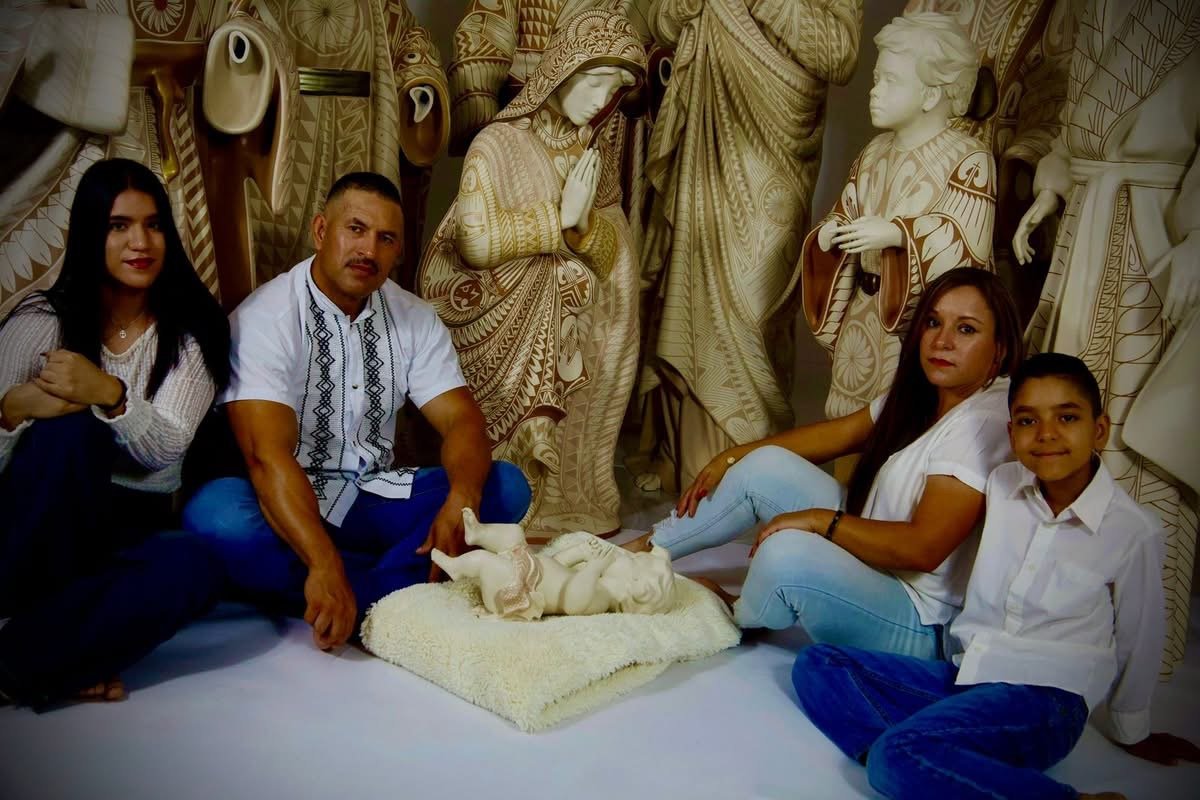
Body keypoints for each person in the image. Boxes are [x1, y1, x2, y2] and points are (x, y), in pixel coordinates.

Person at [793, 353, 1200, 800]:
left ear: (1099, 429)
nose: (1046, 434)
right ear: (1011, 433)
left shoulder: (1133, 530)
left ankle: (930, 765)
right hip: (968, 675)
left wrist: (1132, 729)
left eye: (1067, 417)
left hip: (1046, 701)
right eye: (1027, 421)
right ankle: (931, 764)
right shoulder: (1002, 485)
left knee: (896, 756)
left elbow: (1141, 635)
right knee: (818, 664)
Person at [183, 172, 531, 652]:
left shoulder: (414, 318)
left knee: (505, 487)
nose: (369, 250)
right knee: (216, 517)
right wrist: (322, 561)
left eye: (386, 238)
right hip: (284, 502)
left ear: (398, 250)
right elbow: (266, 458)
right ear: (321, 231)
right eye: (356, 229)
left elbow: (461, 420)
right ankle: (384, 590)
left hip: (371, 497)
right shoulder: (266, 318)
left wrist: (462, 499)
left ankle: (346, 596)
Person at [625, 267, 1023, 658]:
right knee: (766, 466)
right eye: (933, 322)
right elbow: (840, 434)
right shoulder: (930, 394)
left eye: (966, 329)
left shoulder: (981, 422)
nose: (942, 341)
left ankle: (731, 613)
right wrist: (730, 458)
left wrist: (819, 522)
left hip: (918, 619)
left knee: (785, 552)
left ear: (1000, 349)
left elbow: (922, 549)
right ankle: (640, 552)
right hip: (875, 557)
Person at [1011, 0, 1200, 676]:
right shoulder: (1092, 9)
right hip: (1085, 228)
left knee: (1137, 428)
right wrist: (1052, 187)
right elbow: (1074, 128)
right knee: (1062, 409)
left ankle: (1144, 633)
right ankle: (1051, 608)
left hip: (1154, 236)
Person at [0, 158, 230, 707]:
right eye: (118, 226)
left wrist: (108, 393)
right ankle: (54, 656)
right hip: (32, 525)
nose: (140, 242)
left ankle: (19, 662)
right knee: (70, 435)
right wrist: (13, 410)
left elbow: (166, 451)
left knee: (196, 566)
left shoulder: (191, 333)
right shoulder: (40, 320)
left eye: (153, 225)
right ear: (90, 234)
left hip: (123, 528)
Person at [419, 8, 647, 538]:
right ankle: (515, 478)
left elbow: (608, 253)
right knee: (557, 281)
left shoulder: (589, 151)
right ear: (561, 70)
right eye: (594, 81)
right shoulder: (497, 144)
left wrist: (583, 231)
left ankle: (571, 492)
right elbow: (474, 242)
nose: (601, 100)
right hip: (487, 303)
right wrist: (559, 223)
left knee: (597, 297)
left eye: (613, 89)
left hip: (567, 314)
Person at [801, 11, 995, 421]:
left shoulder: (969, 158)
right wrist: (831, 233)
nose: (875, 92)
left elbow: (967, 246)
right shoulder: (874, 152)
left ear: (930, 95)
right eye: (876, 80)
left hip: (918, 328)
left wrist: (897, 234)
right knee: (848, 422)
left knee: (903, 423)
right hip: (863, 317)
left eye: (890, 81)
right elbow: (848, 210)